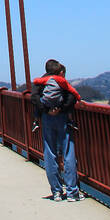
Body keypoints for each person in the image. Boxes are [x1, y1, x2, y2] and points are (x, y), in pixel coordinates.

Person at [31, 58, 86, 202]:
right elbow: (72, 96)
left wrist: (46, 110)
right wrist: (61, 109)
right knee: (68, 153)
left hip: (46, 118)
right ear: (58, 70)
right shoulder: (61, 81)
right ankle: (72, 192)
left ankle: (56, 192)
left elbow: (34, 98)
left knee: (50, 154)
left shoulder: (41, 82)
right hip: (61, 118)